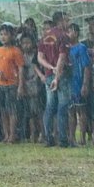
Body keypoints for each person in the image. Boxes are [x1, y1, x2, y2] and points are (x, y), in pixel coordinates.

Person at [37, 11, 71, 148]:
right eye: (67, 20)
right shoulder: (63, 37)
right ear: (61, 20)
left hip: (49, 73)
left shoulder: (45, 36)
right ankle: (63, 139)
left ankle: (48, 138)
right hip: (61, 75)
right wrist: (57, 76)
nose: (68, 23)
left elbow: (40, 57)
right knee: (62, 106)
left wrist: (50, 67)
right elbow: (62, 57)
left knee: (50, 106)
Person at [0, 23, 25, 143]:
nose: (3, 37)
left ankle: (13, 134)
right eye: (1, 34)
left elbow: (20, 68)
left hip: (11, 84)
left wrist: (20, 86)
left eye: (6, 34)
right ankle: (6, 134)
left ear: (12, 35)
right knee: (3, 110)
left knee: (12, 110)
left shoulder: (16, 51)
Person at [67, 23, 91, 146]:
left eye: (69, 31)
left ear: (76, 33)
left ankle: (82, 136)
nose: (67, 34)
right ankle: (71, 137)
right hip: (69, 83)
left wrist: (85, 84)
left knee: (81, 110)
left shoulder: (81, 48)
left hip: (79, 81)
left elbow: (87, 66)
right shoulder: (65, 48)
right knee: (71, 111)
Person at [19, 33, 45, 143]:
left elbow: (38, 69)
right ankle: (32, 133)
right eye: (24, 43)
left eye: (28, 43)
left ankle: (43, 133)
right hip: (25, 85)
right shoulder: (21, 56)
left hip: (36, 84)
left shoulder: (36, 55)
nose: (26, 45)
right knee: (29, 113)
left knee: (38, 111)